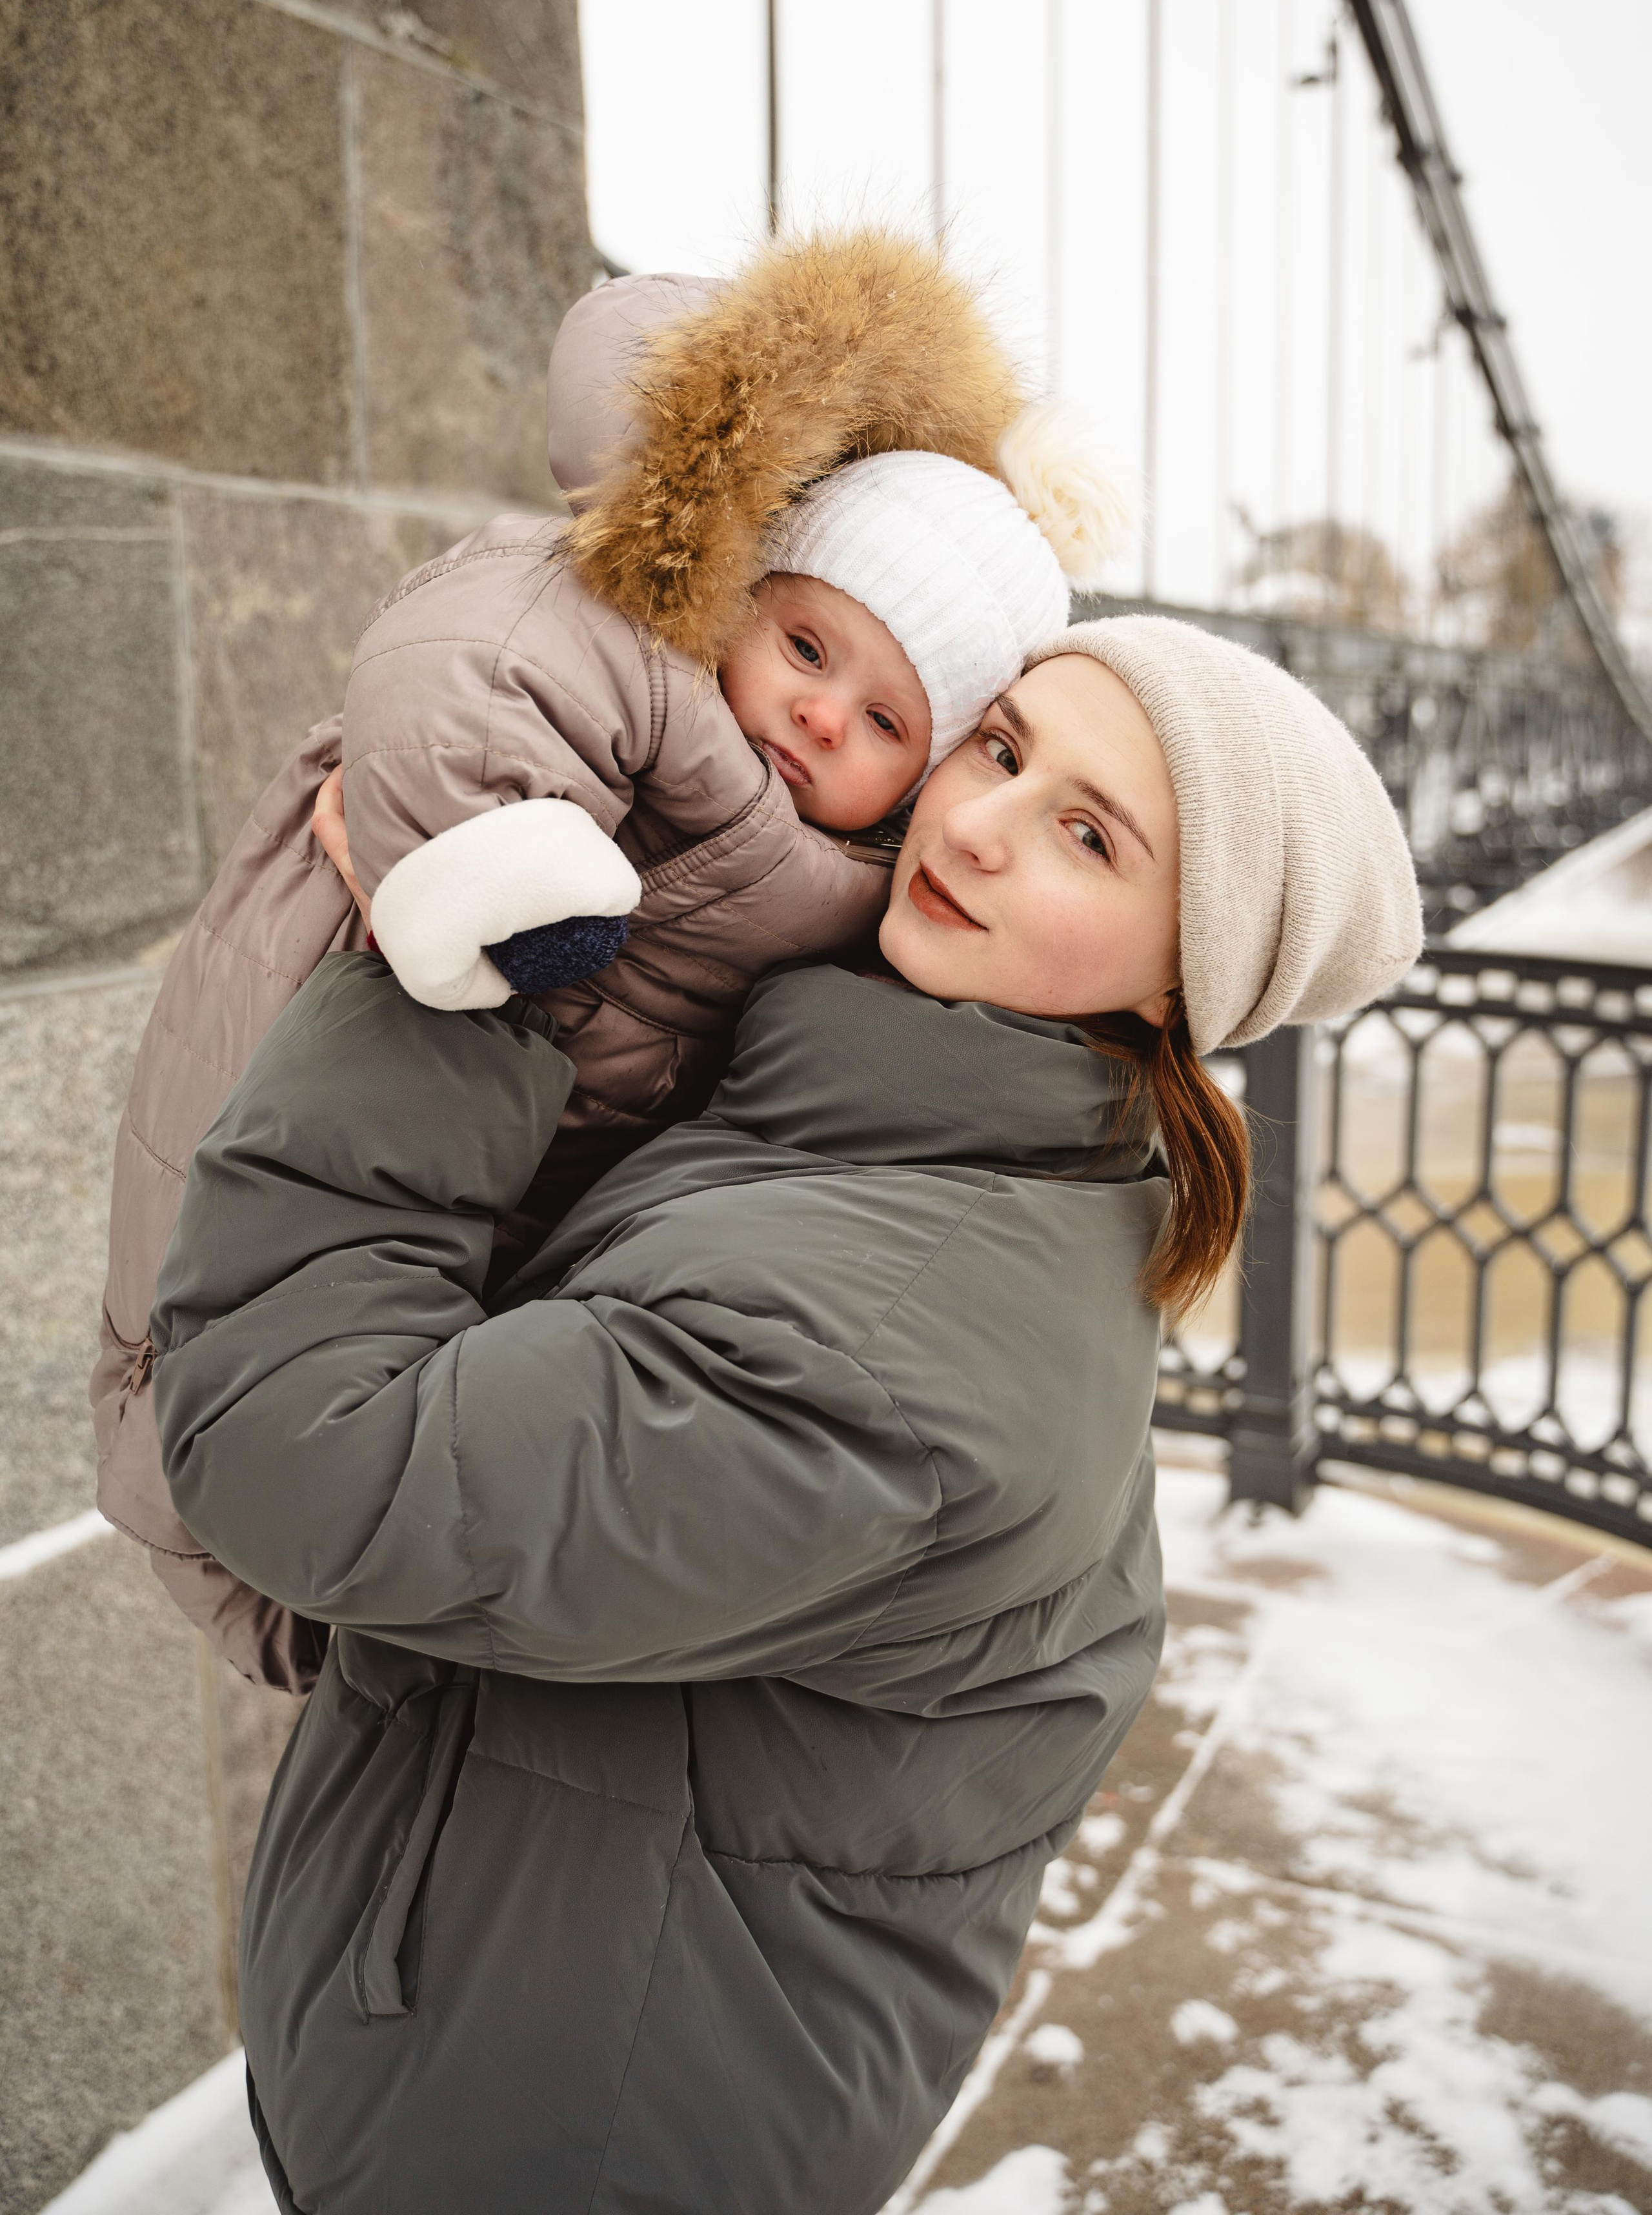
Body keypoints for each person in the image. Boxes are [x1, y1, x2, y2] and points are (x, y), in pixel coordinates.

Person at [149, 614, 1422, 2215]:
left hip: (542, 2153)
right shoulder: (868, 1116)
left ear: (1181, 982)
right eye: (1003, 746)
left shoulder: (900, 1349)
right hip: (473, 2066)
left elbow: (312, 1462)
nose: (970, 822)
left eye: (1087, 837)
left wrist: (466, 989)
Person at [89, 227, 1131, 1690]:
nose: (822, 718)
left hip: (420, 1273)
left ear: (913, 782)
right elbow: (474, 660)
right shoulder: (636, 663)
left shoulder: (847, 905)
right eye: (808, 647)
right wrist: (472, 851)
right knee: (205, 1307)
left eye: (888, 723)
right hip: (316, 1065)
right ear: (743, 595)